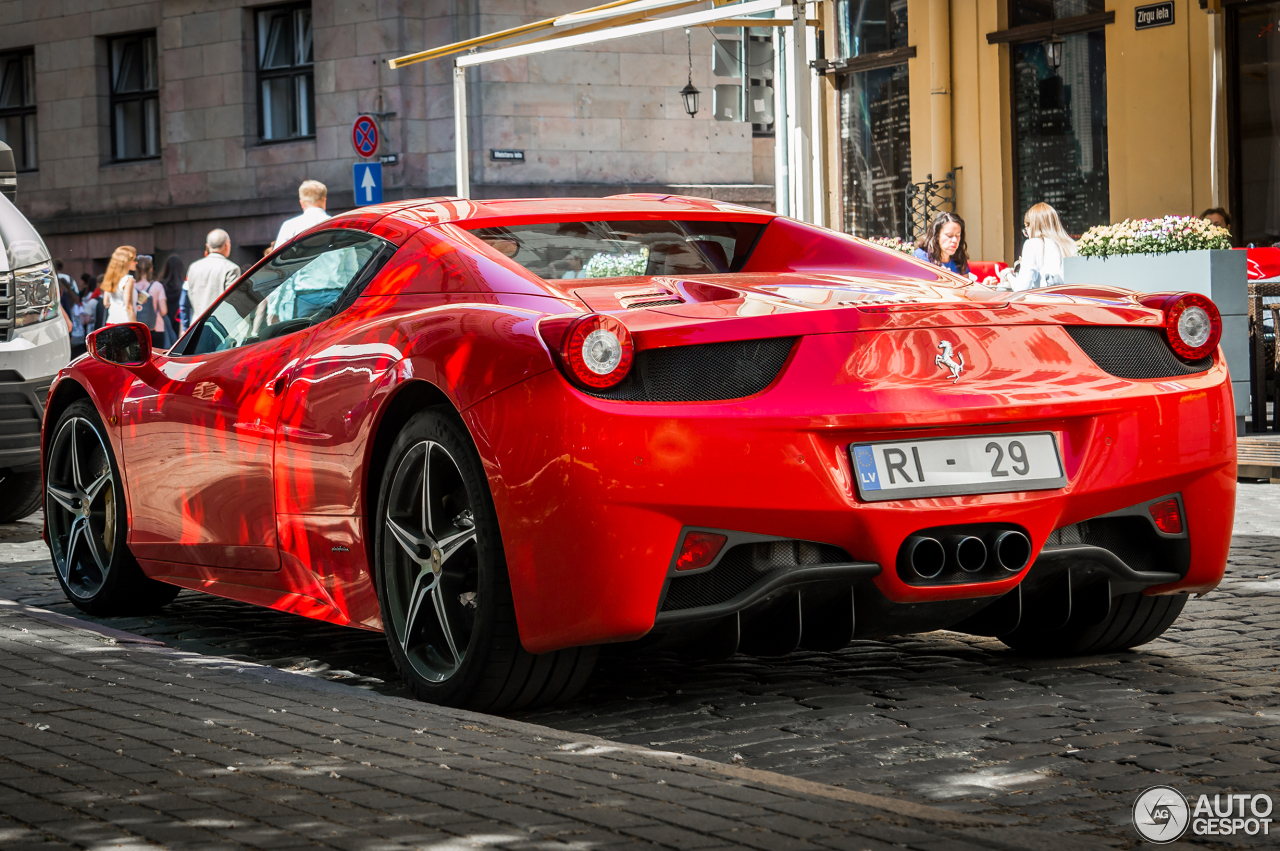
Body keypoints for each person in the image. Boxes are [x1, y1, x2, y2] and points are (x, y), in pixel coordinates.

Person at [1006, 202, 1077, 292]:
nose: (1026, 233)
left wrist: (1007, 274)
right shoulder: (1070, 245)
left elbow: (1021, 288)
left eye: (1026, 228)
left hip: (1047, 302)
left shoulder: (1033, 244)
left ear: (1032, 226)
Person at [183, 229, 241, 320]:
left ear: (208, 246)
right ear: (227, 246)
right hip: (219, 325)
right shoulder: (231, 268)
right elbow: (233, 301)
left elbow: (188, 296)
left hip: (196, 324)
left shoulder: (193, 267)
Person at [274, 180, 330, 248]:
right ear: (324, 201)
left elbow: (277, 255)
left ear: (301, 203)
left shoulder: (289, 226)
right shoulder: (336, 223)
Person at [913, 212, 969, 276]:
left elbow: (966, 284)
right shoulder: (921, 256)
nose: (955, 240)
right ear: (937, 236)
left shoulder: (960, 259)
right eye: (949, 235)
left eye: (958, 235)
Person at [132, 255, 168, 347]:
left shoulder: (131, 286)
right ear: (151, 269)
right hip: (156, 328)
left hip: (137, 330)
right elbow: (164, 311)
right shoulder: (157, 286)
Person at [101, 245, 138, 325]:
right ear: (126, 261)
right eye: (134, 259)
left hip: (111, 322)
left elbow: (106, 303)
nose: (136, 262)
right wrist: (136, 327)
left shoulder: (111, 279)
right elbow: (128, 307)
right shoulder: (128, 280)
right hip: (125, 323)